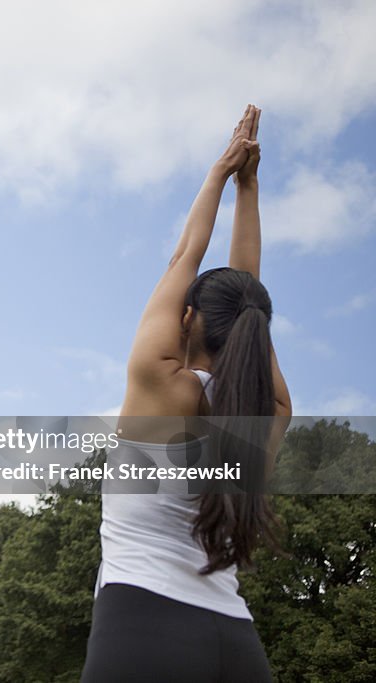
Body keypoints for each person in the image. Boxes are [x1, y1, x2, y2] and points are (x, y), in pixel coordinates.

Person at [81, 105, 293, 682]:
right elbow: (248, 301)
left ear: (188, 317)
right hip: (235, 639)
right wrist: (248, 189)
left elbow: (185, 258)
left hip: (142, 623)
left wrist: (222, 174)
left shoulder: (158, 382)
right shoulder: (266, 416)